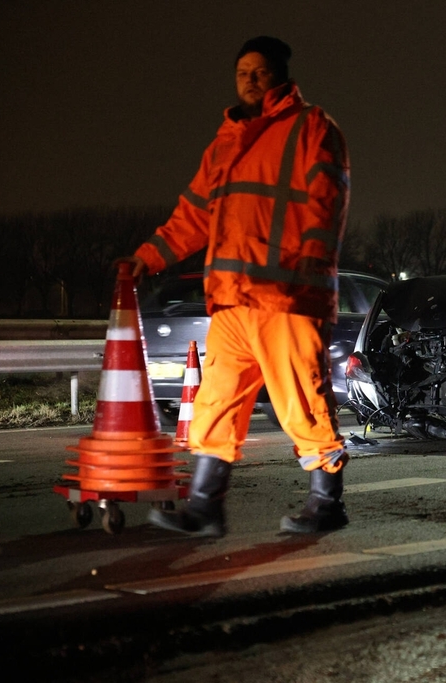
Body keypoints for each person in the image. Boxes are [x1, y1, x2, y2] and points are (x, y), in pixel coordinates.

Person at [121, 36, 351, 537]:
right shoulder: (225, 142)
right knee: (215, 403)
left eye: (259, 71)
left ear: (281, 77)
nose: (249, 79)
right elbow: (192, 217)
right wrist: (146, 258)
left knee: (301, 402)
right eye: (242, 71)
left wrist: (305, 272)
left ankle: (327, 503)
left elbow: (325, 208)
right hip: (230, 302)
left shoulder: (311, 127)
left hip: (285, 299)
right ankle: (204, 508)